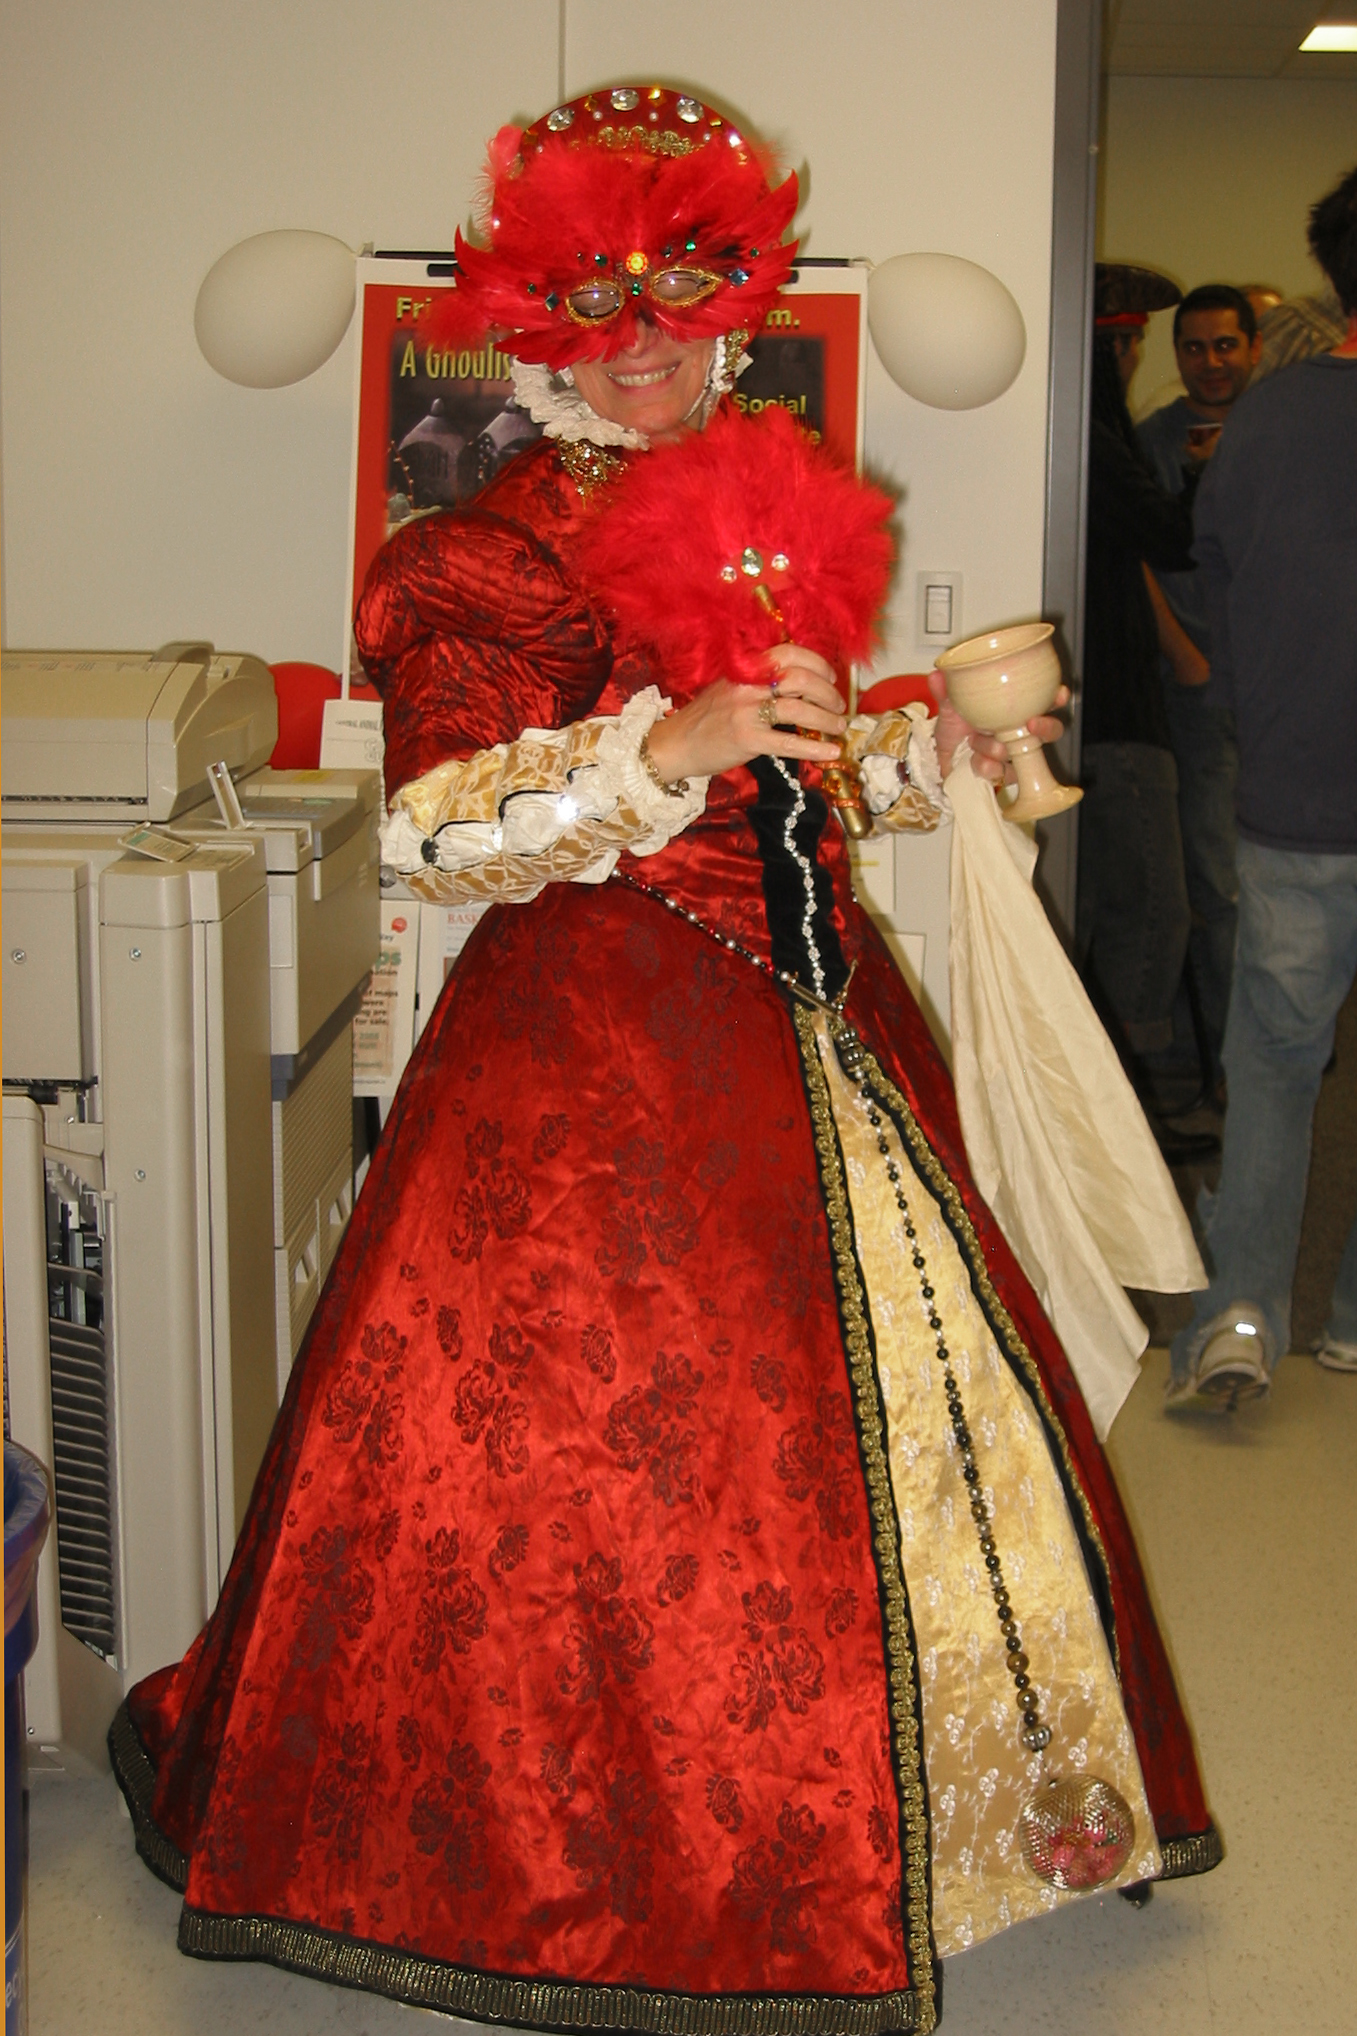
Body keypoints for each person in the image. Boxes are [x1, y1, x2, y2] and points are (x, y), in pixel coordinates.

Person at [108, 90, 1219, 2029]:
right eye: (598, 310)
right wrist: (660, 748)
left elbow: (791, 783)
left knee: (894, 1430)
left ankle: (932, 1817)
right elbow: (437, 829)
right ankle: (638, 1871)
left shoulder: (774, 506)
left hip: (810, 1024)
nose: (644, 345)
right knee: (613, 1481)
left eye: (681, 303)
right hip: (591, 1062)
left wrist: (925, 751)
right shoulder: (476, 553)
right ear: (534, 327)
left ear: (735, 312)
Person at [1166, 165, 1357, 1412]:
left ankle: (1239, 1316)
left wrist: (1253, 708)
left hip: (1295, 792)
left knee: (1276, 1065)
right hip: (1295, 788)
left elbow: (1214, 573)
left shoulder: (1271, 415)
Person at [1077, 266, 1217, 1157]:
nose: (1134, 361)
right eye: (1127, 345)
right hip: (1117, 719)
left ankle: (1115, 1121)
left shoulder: (1084, 434)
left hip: (1106, 709)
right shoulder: (1098, 440)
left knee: (1110, 912)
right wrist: (1198, 475)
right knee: (1154, 912)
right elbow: (1170, 539)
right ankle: (1121, 1125)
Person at [1136, 284, 1260, 1084]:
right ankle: (1227, 1061)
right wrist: (1184, 654)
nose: (1209, 361)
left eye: (1224, 345)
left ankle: (1263, 1043)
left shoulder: (1277, 431)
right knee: (1213, 879)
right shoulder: (1152, 441)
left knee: (1278, 873)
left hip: (1277, 685)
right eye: (1193, 347)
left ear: (1252, 347)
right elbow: (1135, 561)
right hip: (1196, 686)